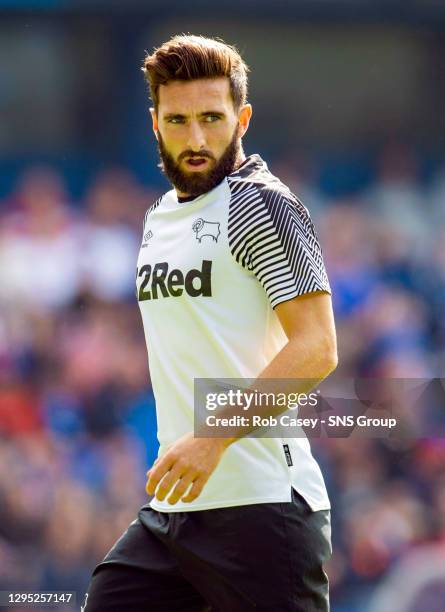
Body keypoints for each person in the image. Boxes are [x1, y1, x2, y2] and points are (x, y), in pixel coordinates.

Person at [83, 34, 337, 612]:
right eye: (178, 120)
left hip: (263, 506)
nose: (195, 139)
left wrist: (210, 438)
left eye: (211, 118)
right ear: (154, 123)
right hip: (176, 514)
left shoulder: (260, 203)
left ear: (242, 117)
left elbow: (318, 347)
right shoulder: (159, 216)